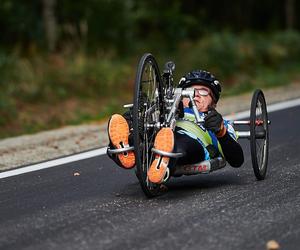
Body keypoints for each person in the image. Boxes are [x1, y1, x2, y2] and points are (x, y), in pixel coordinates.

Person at [107, 70, 244, 184]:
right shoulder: (169, 111)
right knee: (142, 128)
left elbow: (237, 160)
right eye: (189, 91)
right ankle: (127, 145)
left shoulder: (219, 121)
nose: (195, 95)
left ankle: (163, 161)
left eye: (203, 91)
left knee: (182, 143)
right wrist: (141, 114)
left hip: (193, 141)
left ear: (213, 102)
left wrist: (221, 132)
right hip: (162, 131)